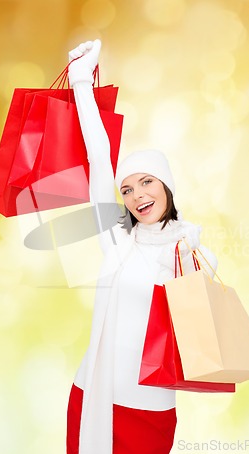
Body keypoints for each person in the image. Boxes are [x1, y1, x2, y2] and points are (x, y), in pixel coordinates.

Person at [65, 39, 218, 454]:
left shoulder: (192, 252)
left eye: (147, 181)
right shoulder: (118, 239)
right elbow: (100, 161)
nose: (137, 195)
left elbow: (199, 333)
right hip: (92, 393)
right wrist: (81, 80)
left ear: (166, 186)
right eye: (127, 189)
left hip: (148, 409)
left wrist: (190, 255)